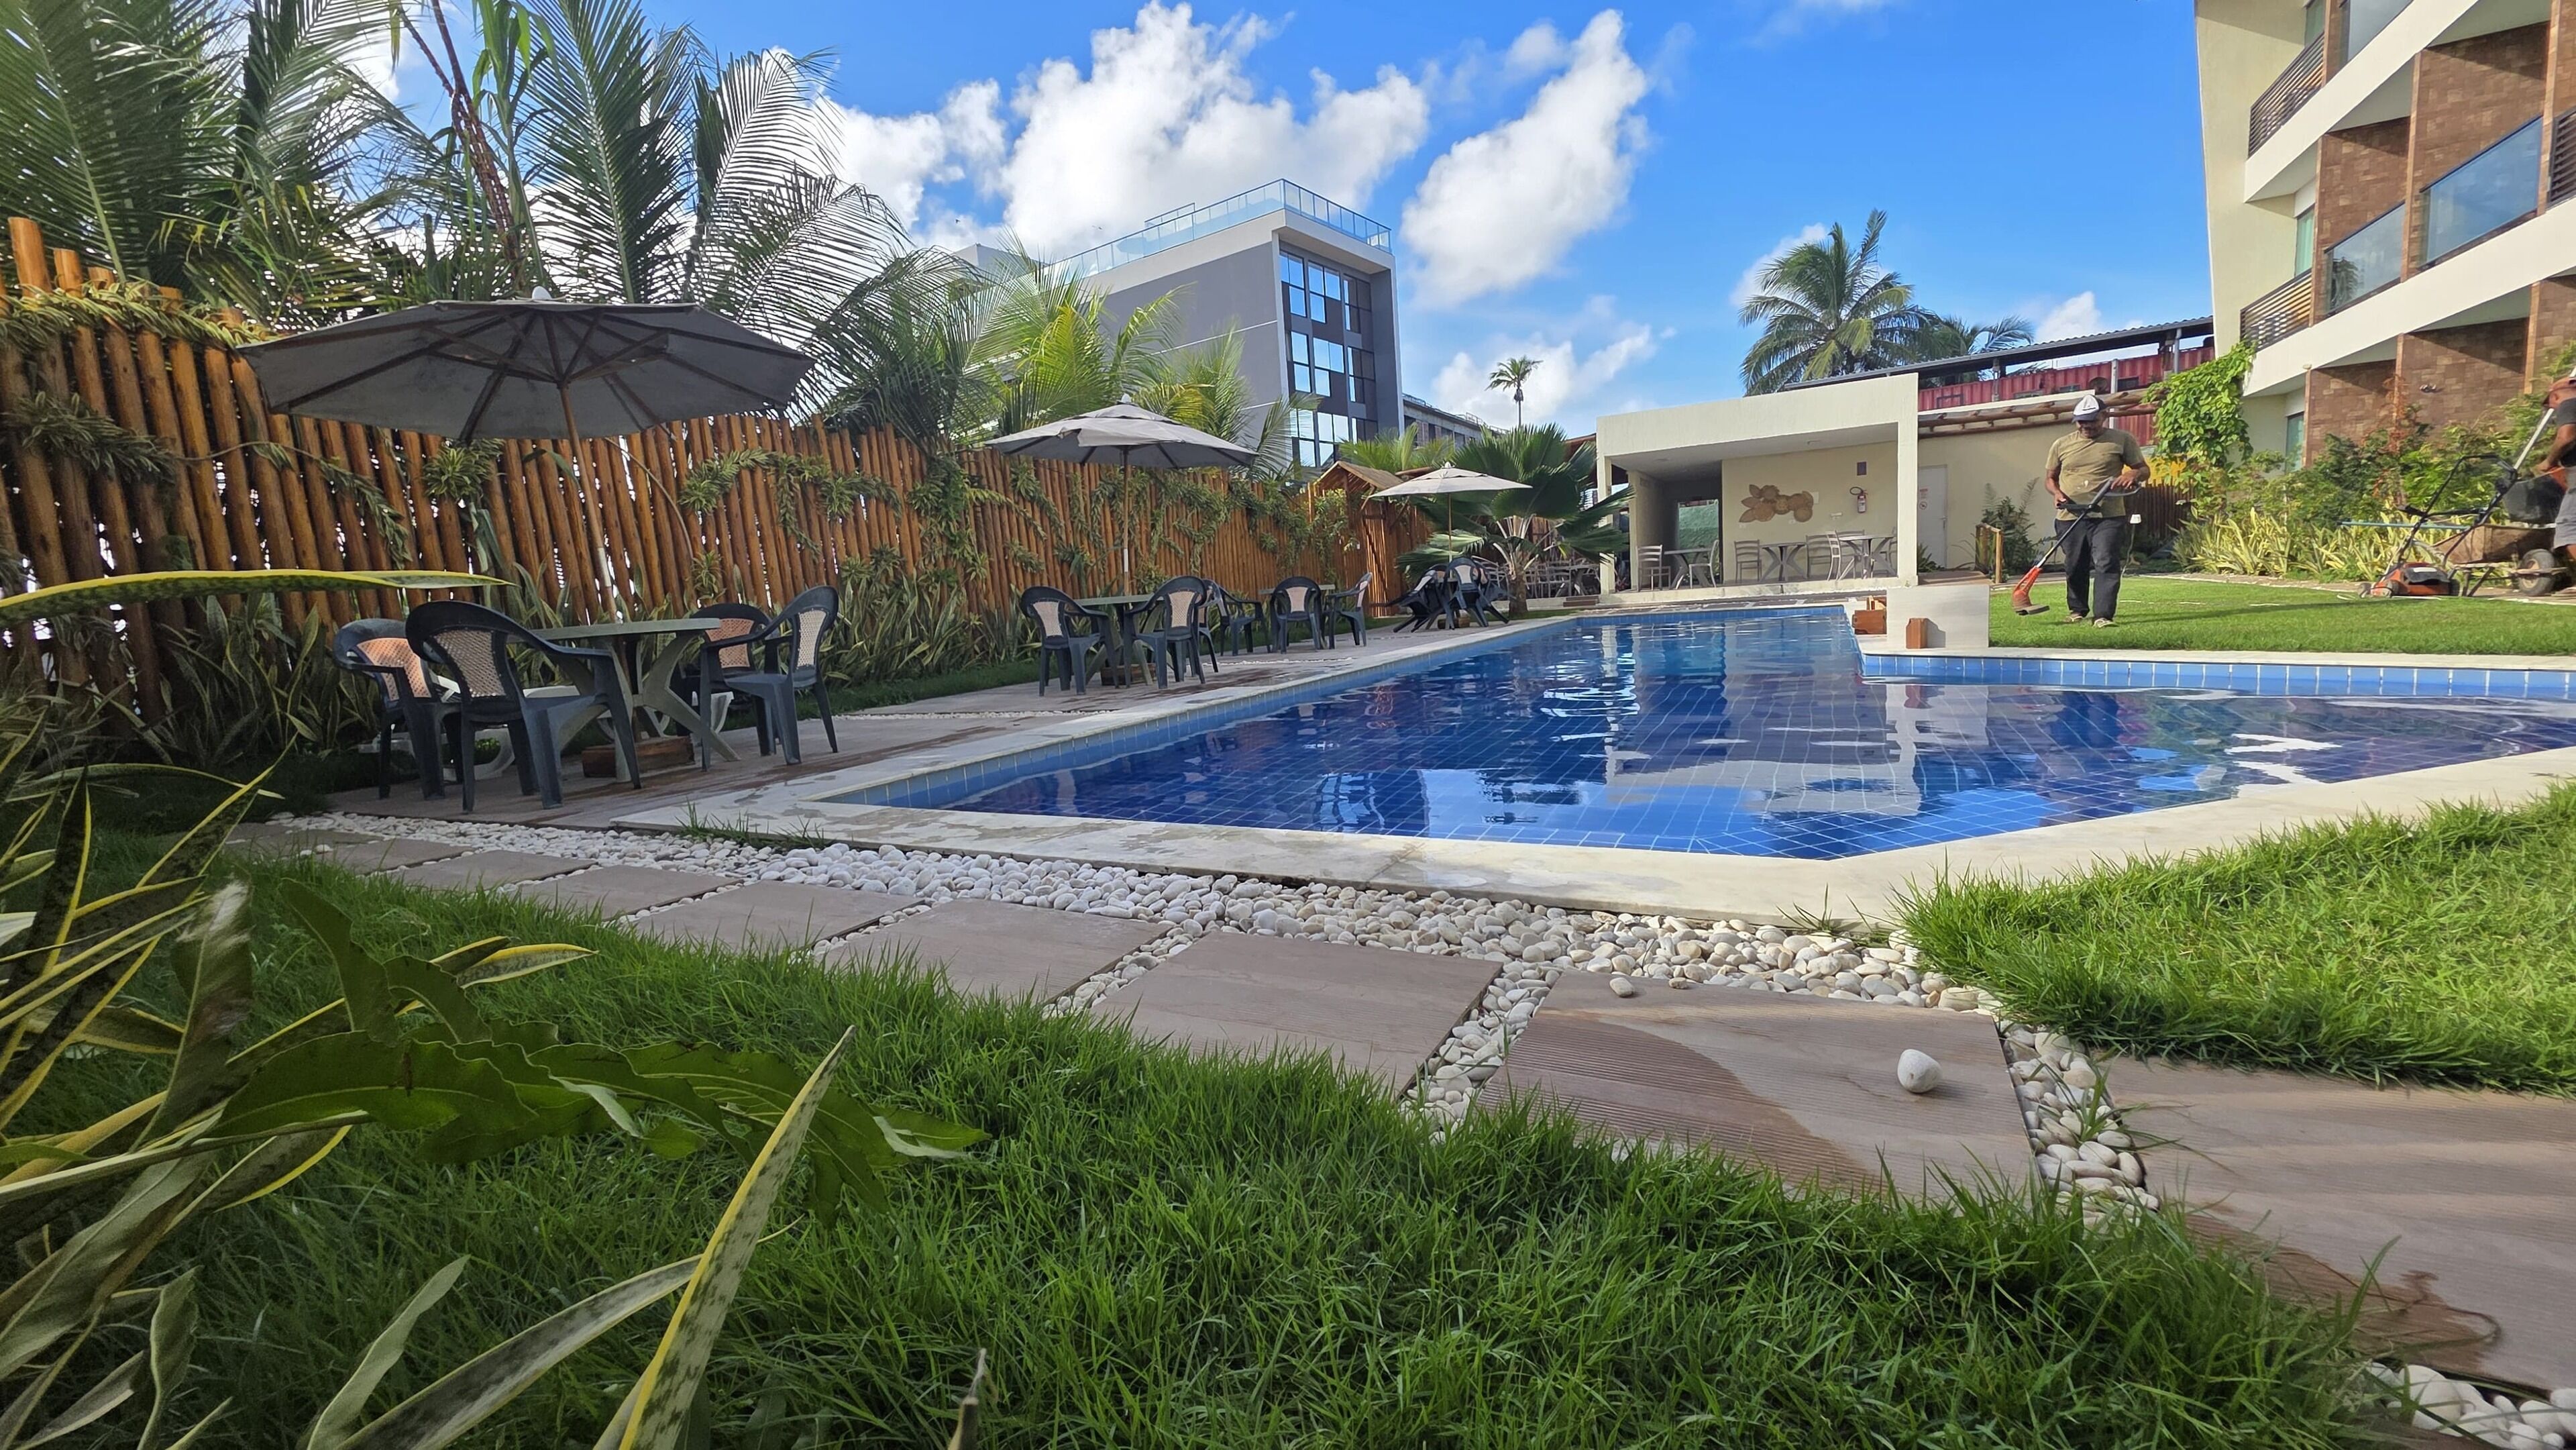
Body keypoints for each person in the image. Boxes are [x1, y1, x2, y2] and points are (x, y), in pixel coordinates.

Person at [2041, 393, 2149, 627]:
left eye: (2091, 420)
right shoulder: (2062, 444)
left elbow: (2143, 469)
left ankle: (2103, 616)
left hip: (2107, 515)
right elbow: (2050, 478)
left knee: (2106, 562)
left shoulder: (2121, 439)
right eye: (2081, 421)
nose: (2086, 426)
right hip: (2070, 515)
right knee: (2074, 564)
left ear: (2104, 416)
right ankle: (2077, 610)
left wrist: (2132, 474)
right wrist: (2057, 493)